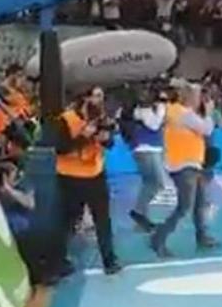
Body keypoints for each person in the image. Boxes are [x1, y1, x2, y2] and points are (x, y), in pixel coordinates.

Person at [52, 87, 121, 275]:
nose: (100, 100)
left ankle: (110, 260)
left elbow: (110, 143)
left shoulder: (102, 117)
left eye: (102, 96)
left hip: (95, 173)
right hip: (70, 176)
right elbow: (61, 148)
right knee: (69, 220)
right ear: (84, 97)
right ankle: (58, 262)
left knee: (103, 219)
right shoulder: (66, 119)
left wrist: (106, 139)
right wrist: (83, 136)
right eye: (96, 96)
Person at [151, 82, 220, 257]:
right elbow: (207, 128)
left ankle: (202, 236)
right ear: (190, 98)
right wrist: (210, 113)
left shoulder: (173, 111)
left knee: (199, 203)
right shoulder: (184, 114)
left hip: (189, 163)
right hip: (185, 165)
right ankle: (158, 238)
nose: (199, 100)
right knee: (184, 207)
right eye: (197, 97)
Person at [125, 84, 168, 232]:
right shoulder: (142, 110)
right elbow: (154, 125)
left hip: (153, 148)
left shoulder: (150, 109)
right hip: (146, 149)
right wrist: (162, 108)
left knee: (149, 183)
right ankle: (138, 212)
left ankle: (142, 215)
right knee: (158, 183)